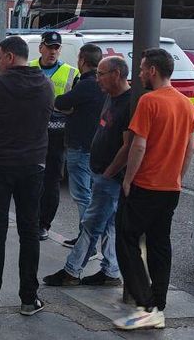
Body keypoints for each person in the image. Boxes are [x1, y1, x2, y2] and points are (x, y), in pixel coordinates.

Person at [113, 48, 194, 330]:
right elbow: (190, 148)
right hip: (170, 187)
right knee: (160, 244)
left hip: (145, 184)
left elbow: (138, 144)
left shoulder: (149, 102)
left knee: (126, 239)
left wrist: (127, 180)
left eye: (141, 69)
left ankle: (145, 303)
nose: (138, 74)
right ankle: (159, 305)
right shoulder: (187, 105)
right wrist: (178, 177)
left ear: (152, 71)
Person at [0, 36, 53, 317]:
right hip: (33, 166)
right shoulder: (45, 84)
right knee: (29, 231)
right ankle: (29, 299)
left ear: (8, 57)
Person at [43, 56, 130, 288]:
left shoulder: (128, 102)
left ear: (117, 74)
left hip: (110, 176)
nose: (97, 78)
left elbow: (129, 145)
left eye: (102, 74)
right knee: (109, 223)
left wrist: (110, 172)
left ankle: (72, 270)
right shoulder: (111, 98)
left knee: (92, 224)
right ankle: (111, 270)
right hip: (103, 171)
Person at [52, 44, 105, 244]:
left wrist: (68, 107)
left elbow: (62, 102)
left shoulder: (86, 84)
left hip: (80, 146)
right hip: (95, 145)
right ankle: (90, 235)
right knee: (91, 193)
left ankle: (86, 237)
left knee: (82, 194)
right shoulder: (101, 83)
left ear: (82, 60)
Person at [30, 31, 78, 241]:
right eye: (49, 47)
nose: (53, 52)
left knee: (51, 182)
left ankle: (43, 224)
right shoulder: (29, 68)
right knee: (30, 180)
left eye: (56, 48)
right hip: (30, 136)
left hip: (58, 136)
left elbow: (76, 105)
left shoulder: (71, 73)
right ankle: (30, 219)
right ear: (41, 47)